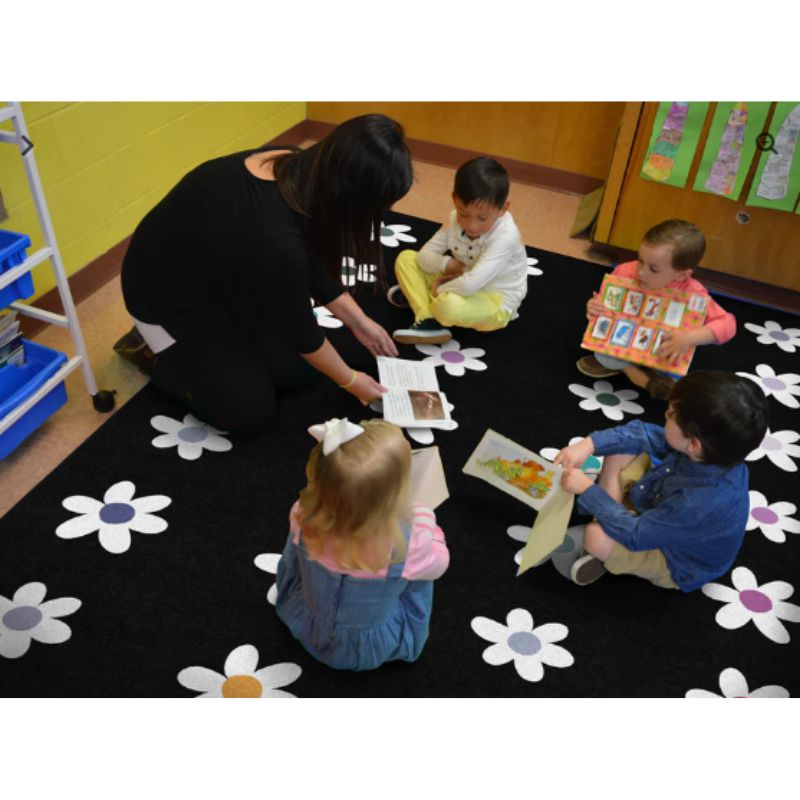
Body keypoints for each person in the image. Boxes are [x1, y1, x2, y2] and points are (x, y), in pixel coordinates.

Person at [116, 115, 412, 433]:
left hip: (222, 276)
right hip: (164, 298)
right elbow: (300, 329)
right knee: (247, 410)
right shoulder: (274, 238)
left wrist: (357, 321)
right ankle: (151, 350)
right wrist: (351, 382)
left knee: (301, 372)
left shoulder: (294, 166)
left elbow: (309, 256)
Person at [554, 371, 769, 590]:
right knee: (622, 448)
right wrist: (588, 445)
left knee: (595, 537)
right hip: (660, 509)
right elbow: (642, 434)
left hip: (675, 559)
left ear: (694, 445)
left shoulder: (697, 503)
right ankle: (610, 515)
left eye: (670, 415)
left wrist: (589, 491)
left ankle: (605, 528)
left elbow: (637, 535)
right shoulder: (712, 453)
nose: (665, 414)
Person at [275, 417, 449, 671]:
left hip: (307, 622)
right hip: (368, 646)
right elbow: (439, 565)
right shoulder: (408, 542)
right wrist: (426, 520)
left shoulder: (302, 514)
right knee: (420, 573)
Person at [578, 219, 736, 400]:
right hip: (623, 342)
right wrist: (593, 305)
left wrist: (688, 339)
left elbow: (728, 324)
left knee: (673, 369)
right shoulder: (625, 272)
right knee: (602, 353)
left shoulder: (693, 293)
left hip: (661, 351)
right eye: (640, 260)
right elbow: (606, 304)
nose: (641, 272)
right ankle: (639, 376)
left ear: (682, 274)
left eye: (653, 269)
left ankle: (634, 371)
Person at [388, 156, 528, 345]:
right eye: (463, 214)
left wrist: (439, 289)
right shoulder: (454, 218)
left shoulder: (506, 236)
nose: (471, 225)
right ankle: (428, 319)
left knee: (447, 307)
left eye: (482, 218)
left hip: (494, 299)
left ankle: (422, 300)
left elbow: (470, 285)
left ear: (503, 209)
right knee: (406, 259)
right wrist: (447, 264)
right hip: (461, 277)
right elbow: (423, 257)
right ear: (454, 200)